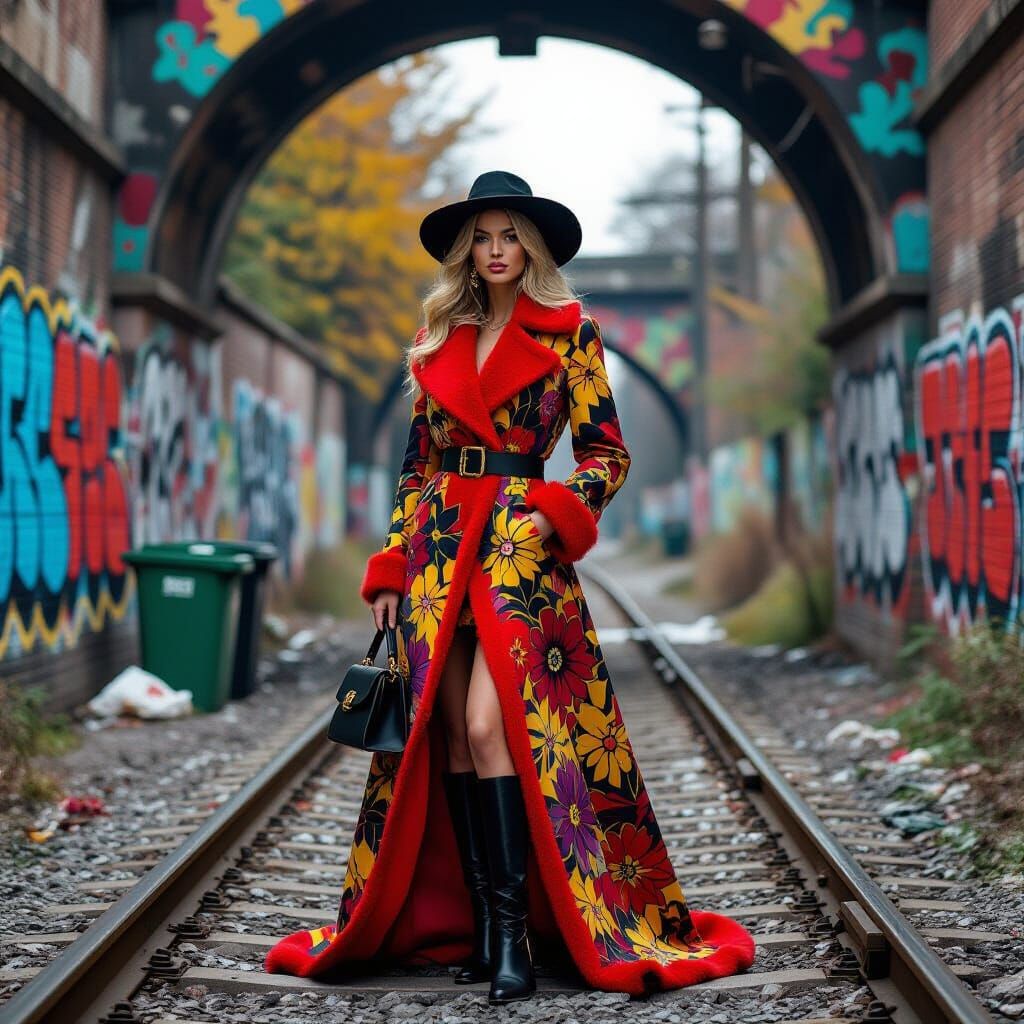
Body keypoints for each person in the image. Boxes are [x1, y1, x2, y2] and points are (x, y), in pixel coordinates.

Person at [265, 170, 755, 1002]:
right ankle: (480, 930)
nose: (496, 252)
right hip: (437, 555)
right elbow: (416, 467)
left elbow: (608, 453)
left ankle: (515, 937)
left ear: (532, 247)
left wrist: (553, 517)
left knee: (494, 727)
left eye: (509, 236)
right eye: (482, 238)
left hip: (519, 560)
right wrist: (390, 566)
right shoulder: (434, 341)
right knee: (450, 738)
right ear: (466, 251)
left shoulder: (572, 333)